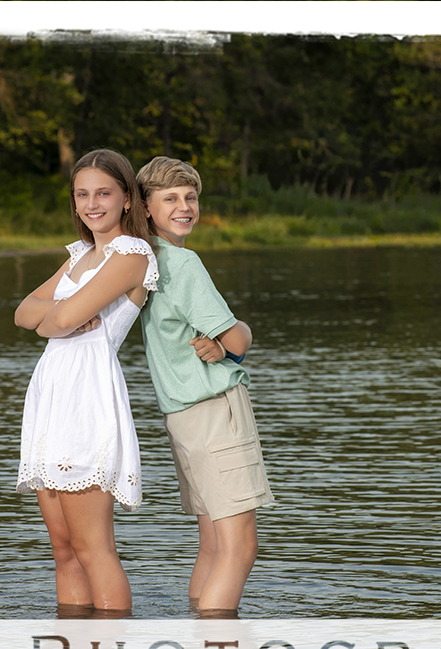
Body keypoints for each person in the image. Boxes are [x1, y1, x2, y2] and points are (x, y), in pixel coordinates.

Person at [15, 149, 158, 612]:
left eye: (104, 193)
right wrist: (57, 317)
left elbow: (56, 320)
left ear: (127, 200)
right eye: (82, 194)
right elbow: (24, 313)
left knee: (94, 549)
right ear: (73, 202)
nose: (92, 203)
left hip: (86, 398)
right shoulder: (80, 256)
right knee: (64, 550)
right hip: (51, 398)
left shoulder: (132, 255)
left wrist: (55, 317)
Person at [136, 156, 274, 614]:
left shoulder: (142, 260)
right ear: (147, 208)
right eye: (170, 198)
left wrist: (223, 343)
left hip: (180, 417)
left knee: (213, 544)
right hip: (215, 410)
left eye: (190, 197)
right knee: (239, 548)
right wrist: (241, 336)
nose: (184, 206)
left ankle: (201, 642)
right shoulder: (183, 262)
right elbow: (237, 338)